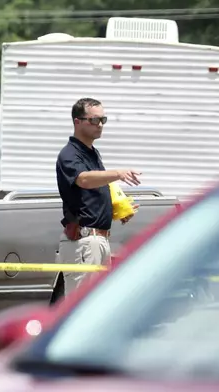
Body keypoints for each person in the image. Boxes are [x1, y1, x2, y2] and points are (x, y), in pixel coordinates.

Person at [55, 97, 142, 294]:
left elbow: (90, 194)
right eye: (94, 120)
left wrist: (116, 211)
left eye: (103, 120)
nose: (100, 125)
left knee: (96, 307)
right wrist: (118, 173)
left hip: (99, 240)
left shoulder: (92, 153)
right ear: (77, 121)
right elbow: (83, 180)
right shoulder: (69, 154)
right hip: (84, 241)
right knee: (81, 307)